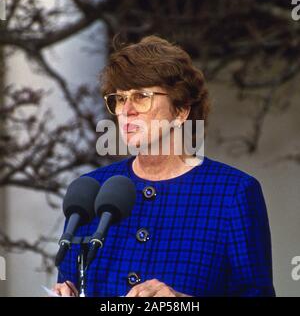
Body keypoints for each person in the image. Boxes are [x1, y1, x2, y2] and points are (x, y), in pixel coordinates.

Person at [53, 35, 275, 297]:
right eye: (120, 99)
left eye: (141, 96)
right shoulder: (90, 190)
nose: (127, 110)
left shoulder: (232, 193)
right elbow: (69, 283)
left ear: (180, 110)